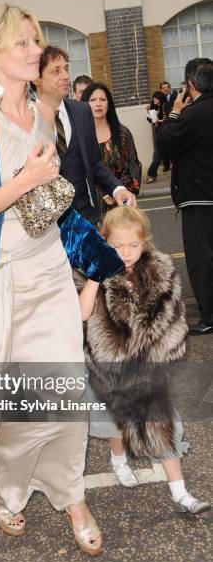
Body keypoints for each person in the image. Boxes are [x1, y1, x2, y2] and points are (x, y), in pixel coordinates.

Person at [0, 3, 125, 557]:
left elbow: (54, 208)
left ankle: (73, 497)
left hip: (49, 272)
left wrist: (100, 257)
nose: (34, 51)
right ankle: (7, 488)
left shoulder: (44, 118)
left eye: (36, 41)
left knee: (65, 393)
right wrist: (23, 180)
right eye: (22, 42)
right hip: (6, 280)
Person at [74, 207, 211, 514]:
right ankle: (118, 459)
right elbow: (81, 314)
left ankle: (181, 493)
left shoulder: (160, 272)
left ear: (145, 242)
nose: (125, 252)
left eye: (133, 245)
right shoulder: (93, 271)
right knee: (113, 424)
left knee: (163, 423)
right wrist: (96, 274)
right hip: (104, 368)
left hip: (146, 368)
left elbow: (174, 323)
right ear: (104, 242)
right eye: (117, 246)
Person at [34, 46, 136, 226]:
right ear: (37, 79)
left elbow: (95, 164)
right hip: (50, 228)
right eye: (56, 71)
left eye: (66, 69)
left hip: (86, 217)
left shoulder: (81, 111)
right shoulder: (28, 118)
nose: (65, 76)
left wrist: (117, 188)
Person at [156, 57, 213, 335]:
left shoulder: (192, 115)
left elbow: (164, 142)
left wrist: (176, 111)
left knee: (202, 259)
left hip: (200, 198)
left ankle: (210, 316)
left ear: (190, 84)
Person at [81, 82, 141, 219]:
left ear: (109, 104)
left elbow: (134, 167)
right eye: (92, 100)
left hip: (121, 210)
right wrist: (101, 195)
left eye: (102, 99)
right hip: (90, 212)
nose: (98, 104)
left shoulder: (123, 134)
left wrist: (117, 191)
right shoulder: (79, 137)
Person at [145, 91, 167, 183]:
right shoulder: (155, 108)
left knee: (157, 155)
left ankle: (151, 175)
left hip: (166, 133)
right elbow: (151, 121)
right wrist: (147, 111)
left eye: (156, 98)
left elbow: (170, 118)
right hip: (160, 133)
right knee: (157, 154)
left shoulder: (165, 105)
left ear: (160, 98)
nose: (154, 99)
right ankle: (151, 175)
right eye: (153, 98)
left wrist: (160, 120)